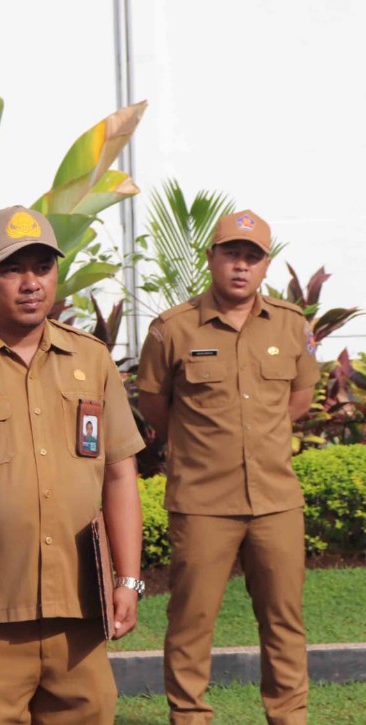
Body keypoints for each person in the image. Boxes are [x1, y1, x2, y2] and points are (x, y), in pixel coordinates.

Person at [0, 206, 145, 724]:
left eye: (43, 267)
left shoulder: (90, 359)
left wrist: (129, 580)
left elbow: (119, 474)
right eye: (12, 269)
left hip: (79, 610)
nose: (31, 283)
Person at [137, 209, 318, 724]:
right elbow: (155, 405)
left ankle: (290, 717)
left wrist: (257, 437)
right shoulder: (172, 328)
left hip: (276, 501)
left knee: (284, 622)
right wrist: (205, 445)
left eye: (252, 257)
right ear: (211, 257)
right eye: (231, 254)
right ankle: (190, 717)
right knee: (191, 622)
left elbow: (299, 397)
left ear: (266, 265)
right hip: (202, 503)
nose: (241, 266)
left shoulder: (291, 324)